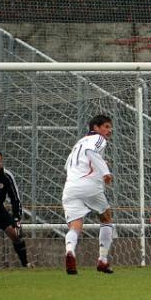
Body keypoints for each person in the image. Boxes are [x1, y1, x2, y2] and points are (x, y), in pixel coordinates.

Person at [61, 115, 115, 275]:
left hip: (70, 187)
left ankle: (70, 250)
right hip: (89, 185)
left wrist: (100, 164)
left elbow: (68, 165)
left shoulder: (79, 143)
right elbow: (90, 151)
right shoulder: (98, 139)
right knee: (106, 218)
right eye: (106, 126)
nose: (109, 130)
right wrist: (105, 171)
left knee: (75, 225)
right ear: (96, 128)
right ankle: (103, 260)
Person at [0, 150, 30, 267]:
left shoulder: (6, 176)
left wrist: (17, 217)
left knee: (16, 233)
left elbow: (15, 198)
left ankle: (25, 264)